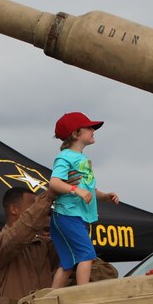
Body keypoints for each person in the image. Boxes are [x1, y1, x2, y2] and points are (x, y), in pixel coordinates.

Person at [47, 111, 119, 288]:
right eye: (89, 127)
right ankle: (82, 295)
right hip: (67, 215)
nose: (93, 129)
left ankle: (49, 299)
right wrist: (75, 190)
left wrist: (103, 196)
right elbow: (54, 182)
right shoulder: (64, 157)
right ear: (75, 134)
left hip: (74, 216)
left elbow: (89, 189)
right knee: (86, 255)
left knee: (67, 264)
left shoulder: (83, 159)